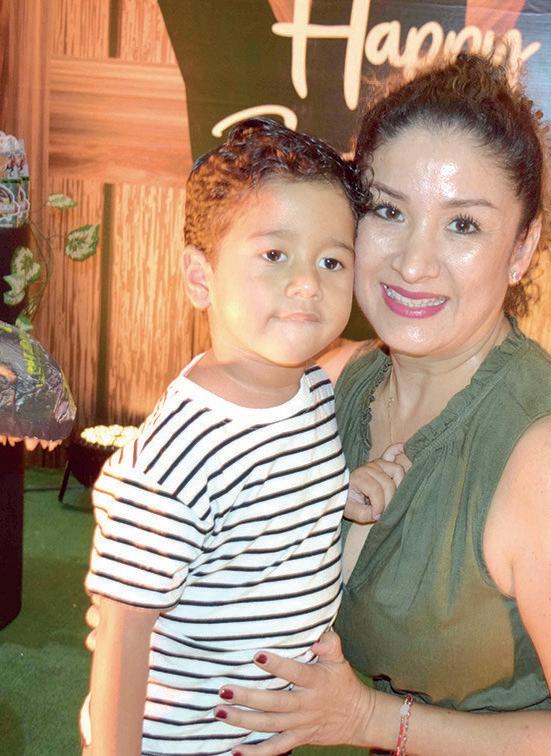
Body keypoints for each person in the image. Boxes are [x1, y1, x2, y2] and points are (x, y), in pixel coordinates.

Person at [212, 53, 551, 754]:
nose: (414, 263)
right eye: (388, 211)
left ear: (522, 248)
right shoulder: (330, 384)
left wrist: (369, 719)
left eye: (463, 225)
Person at [81, 118, 406, 755]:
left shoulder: (311, 391)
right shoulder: (177, 455)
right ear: (200, 277)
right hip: (175, 744)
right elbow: (123, 630)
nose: (308, 282)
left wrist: (341, 494)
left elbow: (263, 505)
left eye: (331, 261)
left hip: (254, 736)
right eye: (274, 255)